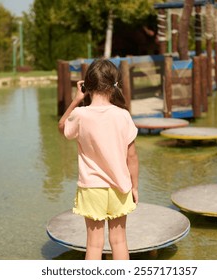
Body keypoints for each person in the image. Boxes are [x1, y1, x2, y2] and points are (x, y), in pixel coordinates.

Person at [58, 58, 139, 260]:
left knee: (94, 245)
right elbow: (132, 157)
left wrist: (76, 99)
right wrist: (135, 187)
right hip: (120, 187)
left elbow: (62, 127)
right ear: (114, 86)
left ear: (87, 86)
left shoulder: (80, 115)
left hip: (91, 188)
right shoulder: (123, 115)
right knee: (119, 241)